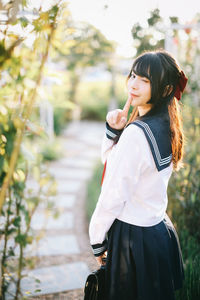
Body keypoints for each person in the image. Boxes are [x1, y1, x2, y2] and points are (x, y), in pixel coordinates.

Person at [89, 49, 187, 300]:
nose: (133, 84)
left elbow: (112, 193)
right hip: (158, 231)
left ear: (165, 89)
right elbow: (116, 168)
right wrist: (114, 131)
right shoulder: (166, 123)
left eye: (145, 80)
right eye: (133, 75)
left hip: (133, 238)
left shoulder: (137, 133)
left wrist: (97, 239)